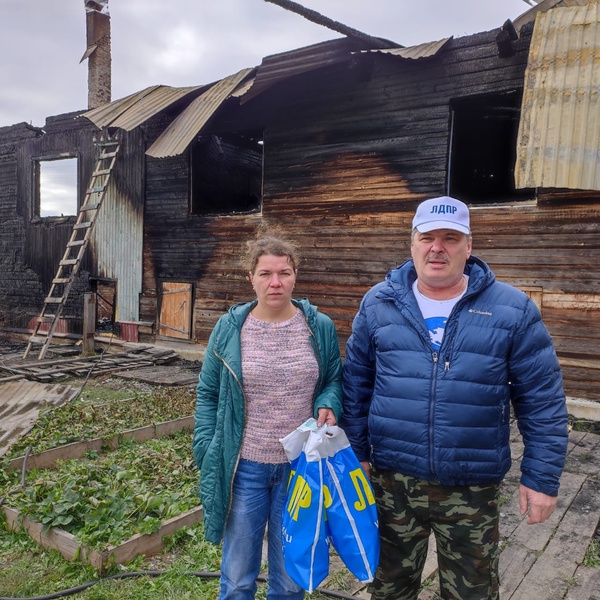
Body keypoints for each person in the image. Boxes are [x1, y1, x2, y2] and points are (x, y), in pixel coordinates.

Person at [341, 196, 568, 600]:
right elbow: (356, 387)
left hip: (470, 486)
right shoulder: (379, 303)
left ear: (469, 245)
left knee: (473, 593)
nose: (437, 248)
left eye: (451, 238)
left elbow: (542, 401)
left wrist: (541, 478)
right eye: (427, 237)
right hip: (393, 482)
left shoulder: (512, 310)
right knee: (389, 589)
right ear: (412, 243)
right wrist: (355, 452)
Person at [192, 225, 343, 600]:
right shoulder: (230, 329)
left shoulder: (318, 327)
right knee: (238, 573)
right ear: (252, 278)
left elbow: (333, 380)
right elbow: (208, 392)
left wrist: (328, 402)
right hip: (246, 467)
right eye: (266, 274)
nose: (275, 282)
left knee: (290, 577)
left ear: (295, 276)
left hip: (301, 468)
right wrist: (206, 444)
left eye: (284, 273)